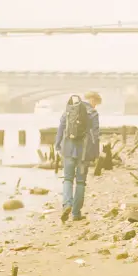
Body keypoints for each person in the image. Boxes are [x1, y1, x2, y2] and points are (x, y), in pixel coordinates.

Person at [55, 91, 101, 222]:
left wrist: (58, 144)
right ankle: (76, 213)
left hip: (68, 150)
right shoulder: (93, 113)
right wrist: (95, 154)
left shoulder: (70, 110)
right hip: (84, 153)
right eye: (96, 102)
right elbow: (95, 135)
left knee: (68, 179)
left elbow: (61, 127)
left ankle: (67, 204)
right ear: (93, 100)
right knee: (80, 182)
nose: (95, 105)